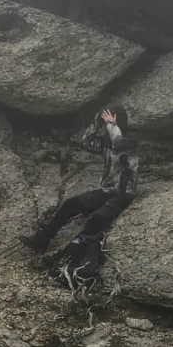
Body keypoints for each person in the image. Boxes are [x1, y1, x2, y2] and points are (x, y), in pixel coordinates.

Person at [20, 104, 139, 285]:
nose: (106, 124)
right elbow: (87, 142)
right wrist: (95, 123)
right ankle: (42, 239)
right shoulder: (108, 140)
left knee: (97, 220)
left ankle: (68, 255)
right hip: (106, 190)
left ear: (117, 119)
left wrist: (111, 125)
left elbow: (119, 145)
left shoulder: (130, 140)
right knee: (71, 204)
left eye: (109, 120)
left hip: (124, 192)